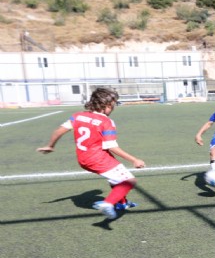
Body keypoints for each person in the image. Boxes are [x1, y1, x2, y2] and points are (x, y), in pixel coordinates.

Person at [37, 88, 145, 220]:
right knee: (129, 181)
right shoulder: (106, 122)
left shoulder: (78, 116)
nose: (114, 108)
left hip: (83, 159)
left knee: (116, 178)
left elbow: (59, 130)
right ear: (107, 105)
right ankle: (108, 204)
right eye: (114, 104)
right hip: (98, 158)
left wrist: (50, 145)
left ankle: (121, 203)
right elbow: (111, 146)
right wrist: (134, 159)